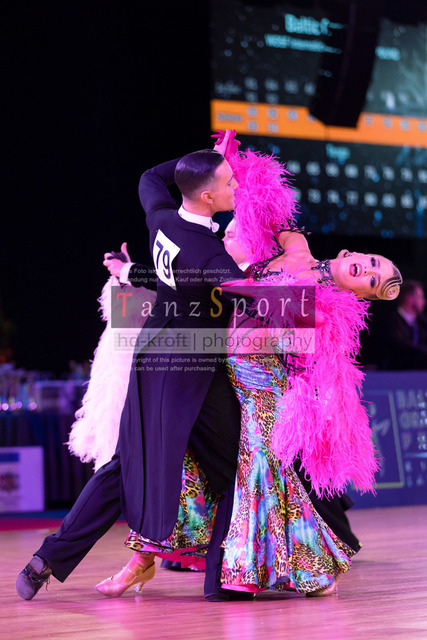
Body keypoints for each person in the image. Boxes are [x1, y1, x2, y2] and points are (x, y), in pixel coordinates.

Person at [95, 135, 402, 597]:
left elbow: (293, 351)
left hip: (259, 386)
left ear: (364, 296)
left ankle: (300, 569)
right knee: (179, 459)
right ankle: (142, 561)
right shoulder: (295, 247)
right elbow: (257, 209)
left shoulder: (334, 314)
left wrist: (281, 319)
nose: (369, 272)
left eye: (374, 282)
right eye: (373, 263)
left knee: (259, 474)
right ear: (350, 255)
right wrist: (230, 163)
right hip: (217, 368)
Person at [16, 135, 254, 602]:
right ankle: (222, 582)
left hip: (157, 359)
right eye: (229, 181)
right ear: (208, 196)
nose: (236, 187)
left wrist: (205, 161)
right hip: (190, 368)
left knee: (128, 464)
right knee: (236, 471)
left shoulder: (161, 217)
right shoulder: (209, 254)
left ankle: (48, 558)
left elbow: (151, 177)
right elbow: (245, 294)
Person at [379, 279, 427, 370]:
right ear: (410, 299)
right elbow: (403, 347)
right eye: (420, 297)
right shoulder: (392, 322)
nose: (424, 301)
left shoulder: (421, 323)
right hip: (395, 373)